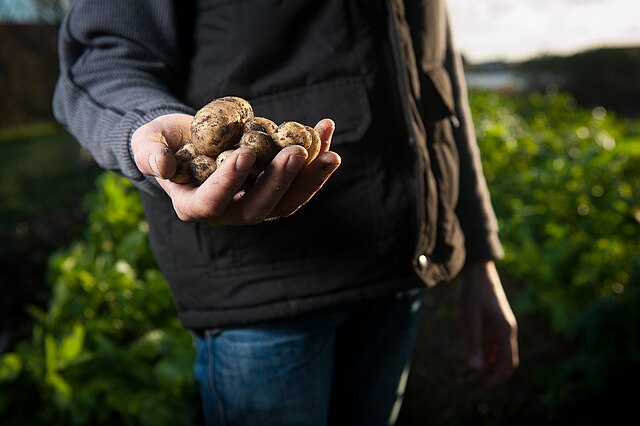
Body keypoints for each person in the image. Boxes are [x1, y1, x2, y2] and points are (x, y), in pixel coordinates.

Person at [53, 0, 519, 425]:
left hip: (396, 274)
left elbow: (435, 77)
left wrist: (477, 251)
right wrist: (144, 130)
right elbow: (102, 60)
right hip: (263, 291)